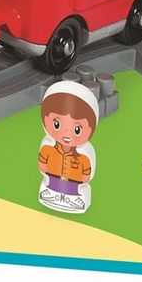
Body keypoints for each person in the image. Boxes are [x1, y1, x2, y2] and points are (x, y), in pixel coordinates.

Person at [38, 82, 99, 213]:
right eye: (56, 124)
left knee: (74, 194)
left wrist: (84, 178)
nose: (66, 134)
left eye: (77, 129)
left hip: (75, 188)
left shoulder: (83, 155)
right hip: (52, 183)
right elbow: (42, 164)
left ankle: (73, 201)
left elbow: (87, 174)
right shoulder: (48, 148)